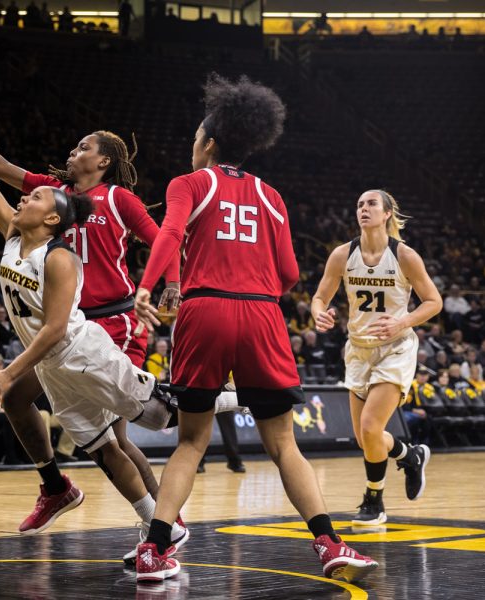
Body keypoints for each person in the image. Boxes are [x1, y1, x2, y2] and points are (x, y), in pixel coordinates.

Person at [0, 88, 183, 543]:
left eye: (83, 148)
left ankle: (167, 526)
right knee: (15, 398)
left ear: (104, 161)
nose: (73, 153)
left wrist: (171, 281)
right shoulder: (52, 198)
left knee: (116, 438)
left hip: (110, 324)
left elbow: (164, 237)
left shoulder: (116, 200)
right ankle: (55, 486)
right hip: (63, 324)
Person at [135, 74, 376, 583]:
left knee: (191, 442)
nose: (193, 144)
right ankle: (329, 544)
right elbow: (289, 274)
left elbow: (172, 231)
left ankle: (153, 551)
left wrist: (147, 283)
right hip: (262, 314)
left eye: (197, 137)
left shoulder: (190, 183)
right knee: (284, 443)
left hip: (205, 311)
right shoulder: (271, 196)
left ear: (211, 141)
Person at [311, 189, 442, 527]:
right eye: (359, 204)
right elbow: (320, 296)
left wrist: (402, 321)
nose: (363, 209)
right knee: (365, 438)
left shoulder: (405, 256)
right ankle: (410, 455)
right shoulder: (342, 255)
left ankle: (375, 499)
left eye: (371, 204)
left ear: (386, 214)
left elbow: (433, 301)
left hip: (395, 348)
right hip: (358, 349)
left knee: (371, 427)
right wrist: (318, 313)